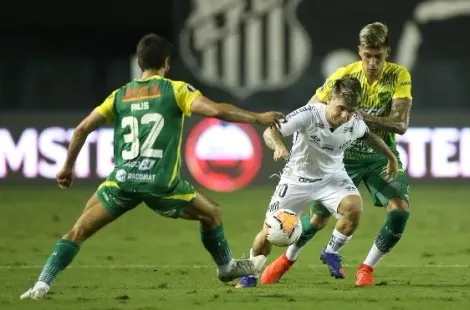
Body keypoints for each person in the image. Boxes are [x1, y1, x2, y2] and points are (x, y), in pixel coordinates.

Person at [20, 33, 285, 300]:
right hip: (160, 183)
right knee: (212, 213)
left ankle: (40, 287)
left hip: (122, 181)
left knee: (78, 231)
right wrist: (258, 117)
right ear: (166, 63)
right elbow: (216, 111)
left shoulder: (119, 95)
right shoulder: (176, 90)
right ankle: (227, 267)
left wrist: (67, 167)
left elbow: (81, 129)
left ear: (139, 62)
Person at [260, 22, 413, 287]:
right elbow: (311, 111)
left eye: (379, 56)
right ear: (360, 52)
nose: (373, 62)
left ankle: (366, 268)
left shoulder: (399, 76)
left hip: (378, 155)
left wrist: (357, 117)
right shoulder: (343, 76)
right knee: (318, 219)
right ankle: (287, 259)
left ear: (387, 52)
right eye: (367, 55)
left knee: (399, 210)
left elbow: (400, 124)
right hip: (342, 157)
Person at [236, 77, 398, 288]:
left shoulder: (353, 123)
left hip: (332, 178)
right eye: (341, 108)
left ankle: (330, 251)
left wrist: (391, 158)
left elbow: (370, 136)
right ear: (330, 99)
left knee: (354, 208)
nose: (345, 115)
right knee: (269, 232)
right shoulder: (308, 114)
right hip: (296, 179)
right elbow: (271, 130)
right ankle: (250, 275)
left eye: (350, 110)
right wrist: (278, 145)